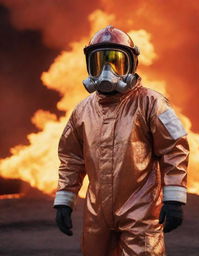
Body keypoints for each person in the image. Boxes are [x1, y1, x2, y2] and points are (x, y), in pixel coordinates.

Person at [53, 25, 190, 256]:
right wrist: (64, 200)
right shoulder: (82, 111)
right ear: (89, 66)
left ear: (131, 64)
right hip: (96, 214)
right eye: (100, 62)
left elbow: (175, 148)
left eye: (116, 62)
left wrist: (174, 199)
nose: (108, 71)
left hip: (141, 212)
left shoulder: (153, 103)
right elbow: (71, 158)